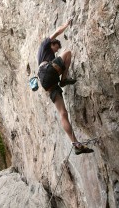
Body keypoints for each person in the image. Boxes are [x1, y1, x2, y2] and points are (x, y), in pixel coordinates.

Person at [37, 19, 94, 155]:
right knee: (68, 53)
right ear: (52, 44)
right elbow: (56, 32)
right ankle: (64, 79)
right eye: (56, 47)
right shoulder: (45, 45)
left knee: (63, 113)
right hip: (47, 71)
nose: (57, 50)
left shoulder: (47, 56)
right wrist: (66, 25)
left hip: (48, 83)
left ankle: (76, 144)